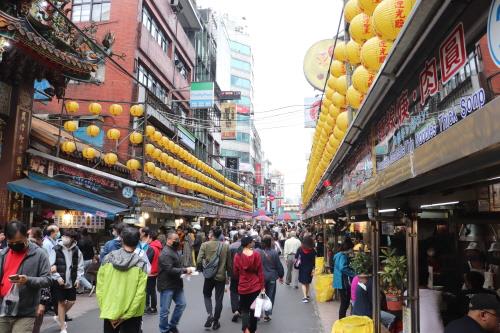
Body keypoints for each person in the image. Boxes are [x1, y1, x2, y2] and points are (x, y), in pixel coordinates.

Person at [0, 221, 51, 333]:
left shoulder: (39, 254)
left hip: (26, 312)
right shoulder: (3, 254)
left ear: (26, 236)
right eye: (11, 243)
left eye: (18, 242)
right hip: (3, 309)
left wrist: (27, 280)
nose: (14, 245)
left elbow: (48, 279)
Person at [96, 227, 148, 333]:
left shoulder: (107, 259)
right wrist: (127, 315)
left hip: (110, 310)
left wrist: (105, 308)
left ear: (122, 240)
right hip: (133, 314)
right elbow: (140, 293)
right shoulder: (141, 264)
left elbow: (100, 287)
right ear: (138, 242)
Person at [158, 231, 193, 333]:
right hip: (167, 285)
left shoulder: (174, 250)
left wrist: (184, 270)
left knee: (182, 304)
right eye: (175, 240)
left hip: (176, 284)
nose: (178, 241)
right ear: (169, 240)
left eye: (178, 239)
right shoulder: (165, 253)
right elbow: (169, 269)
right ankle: (164, 330)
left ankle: (172, 325)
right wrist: (184, 270)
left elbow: (176, 266)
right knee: (165, 311)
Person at [197, 228, 231, 330]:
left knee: (207, 295)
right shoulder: (225, 246)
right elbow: (229, 264)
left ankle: (210, 314)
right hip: (221, 277)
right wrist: (228, 277)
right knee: (219, 299)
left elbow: (199, 260)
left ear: (211, 235)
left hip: (209, 276)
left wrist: (204, 268)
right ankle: (216, 321)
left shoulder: (205, 245)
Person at [52, 229, 84, 333]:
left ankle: (59, 317)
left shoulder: (77, 250)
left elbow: (80, 266)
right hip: (59, 281)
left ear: (73, 239)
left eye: (67, 236)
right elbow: (51, 265)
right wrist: (57, 277)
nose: (64, 238)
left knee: (71, 301)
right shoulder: (56, 249)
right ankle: (63, 327)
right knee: (61, 303)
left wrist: (78, 278)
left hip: (72, 280)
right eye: (64, 235)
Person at [233, 235, 265, 333]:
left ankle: (245, 329)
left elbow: (235, 272)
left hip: (243, 286)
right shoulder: (256, 255)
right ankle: (252, 329)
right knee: (255, 310)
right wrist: (262, 287)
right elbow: (260, 272)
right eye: (252, 242)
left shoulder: (237, 255)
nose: (253, 243)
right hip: (255, 286)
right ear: (248, 243)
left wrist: (241, 277)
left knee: (245, 310)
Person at [258, 235, 284, 321]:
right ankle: (267, 315)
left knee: (260, 295)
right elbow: (279, 266)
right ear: (270, 243)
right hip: (272, 277)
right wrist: (281, 275)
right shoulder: (274, 253)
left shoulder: (258, 252)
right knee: (270, 295)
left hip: (261, 277)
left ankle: (258, 314)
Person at [333, 239, 355, 319]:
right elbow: (343, 268)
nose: (352, 250)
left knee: (344, 302)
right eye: (351, 248)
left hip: (339, 281)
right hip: (342, 282)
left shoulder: (338, 255)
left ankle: (342, 320)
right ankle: (342, 320)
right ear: (348, 248)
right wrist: (354, 274)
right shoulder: (343, 256)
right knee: (345, 303)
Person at [229, 229, 245, 322]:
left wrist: (228, 273)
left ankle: (235, 310)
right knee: (243, 291)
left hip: (234, 273)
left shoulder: (231, 246)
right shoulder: (247, 247)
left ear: (238, 236)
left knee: (234, 291)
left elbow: (228, 261)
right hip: (245, 273)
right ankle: (240, 308)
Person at [295, 235, 316, 303]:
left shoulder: (300, 249)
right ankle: (306, 295)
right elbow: (314, 260)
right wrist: (313, 268)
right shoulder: (312, 250)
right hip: (310, 268)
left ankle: (305, 297)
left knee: (303, 283)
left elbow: (297, 258)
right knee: (307, 282)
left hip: (302, 267)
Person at [146, 230, 163, 314]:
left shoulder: (151, 247)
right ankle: (153, 307)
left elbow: (147, 260)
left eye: (148, 237)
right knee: (152, 290)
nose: (147, 239)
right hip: (156, 271)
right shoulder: (158, 246)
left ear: (151, 238)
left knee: (149, 290)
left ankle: (151, 307)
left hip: (150, 272)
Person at [77, 228, 94, 294]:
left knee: (79, 275)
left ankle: (90, 286)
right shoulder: (89, 239)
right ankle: (80, 290)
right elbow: (92, 250)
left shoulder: (80, 241)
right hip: (89, 259)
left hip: (83, 260)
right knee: (83, 274)